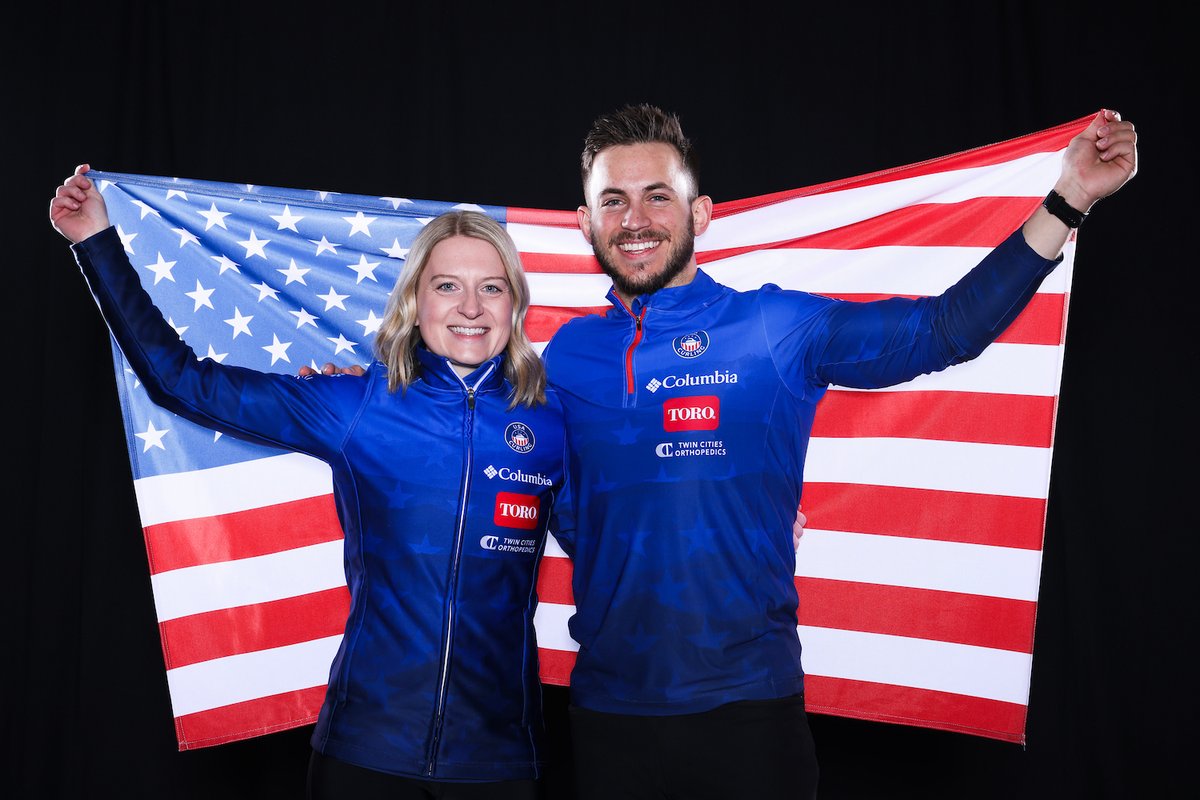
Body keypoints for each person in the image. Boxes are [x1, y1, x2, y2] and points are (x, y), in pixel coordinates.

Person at [534, 104, 1138, 800]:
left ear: (700, 214)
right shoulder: (569, 357)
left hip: (749, 716)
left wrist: (1069, 201)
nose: (635, 220)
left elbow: (942, 331)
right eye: (613, 201)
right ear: (586, 223)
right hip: (611, 720)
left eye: (656, 196)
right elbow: (565, 505)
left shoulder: (772, 326)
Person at [49, 166, 568, 800]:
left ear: (515, 303)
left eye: (491, 287)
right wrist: (95, 241)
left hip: (501, 765)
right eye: (447, 286)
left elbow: (613, 551)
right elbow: (180, 380)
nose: (469, 307)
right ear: (415, 300)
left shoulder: (553, 426)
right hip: (365, 755)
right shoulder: (357, 405)